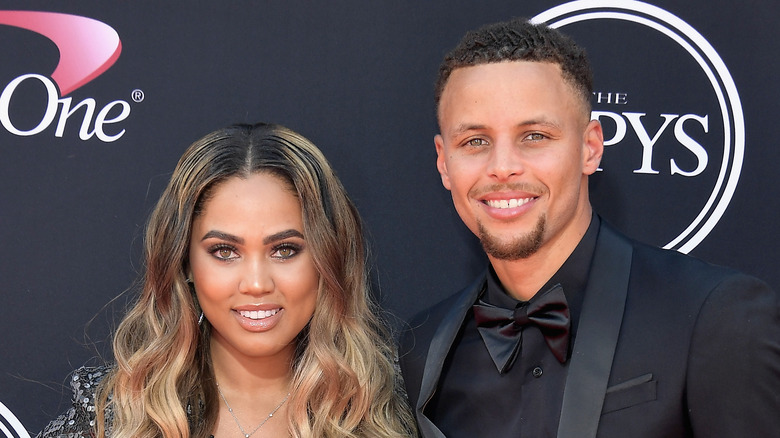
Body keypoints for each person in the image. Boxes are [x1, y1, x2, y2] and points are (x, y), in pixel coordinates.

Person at [399, 18, 780, 438]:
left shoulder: (716, 320)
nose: (502, 167)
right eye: (475, 142)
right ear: (443, 161)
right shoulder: (422, 349)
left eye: (535, 136)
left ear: (590, 147)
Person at [38, 123, 417, 438]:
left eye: (285, 249)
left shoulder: (393, 408)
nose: (255, 284)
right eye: (224, 251)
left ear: (328, 258)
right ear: (184, 262)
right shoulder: (116, 412)